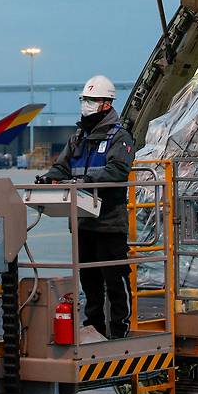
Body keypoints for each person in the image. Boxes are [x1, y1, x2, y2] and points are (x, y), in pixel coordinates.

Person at [39, 75, 135, 339]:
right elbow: (62, 166)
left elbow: (117, 171)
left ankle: (120, 328)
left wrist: (84, 181)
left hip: (109, 222)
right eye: (85, 99)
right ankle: (94, 327)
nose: (87, 105)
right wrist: (50, 177)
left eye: (92, 100)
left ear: (106, 103)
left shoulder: (120, 137)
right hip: (82, 221)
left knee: (115, 279)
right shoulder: (78, 138)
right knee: (89, 280)